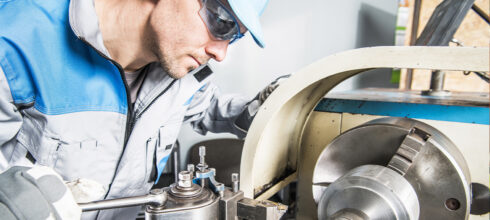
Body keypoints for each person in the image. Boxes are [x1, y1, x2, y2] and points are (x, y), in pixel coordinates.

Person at [0, 0, 278, 219]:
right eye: (222, 22)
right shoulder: (16, 41)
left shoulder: (176, 73)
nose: (221, 53)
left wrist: (261, 111)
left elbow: (206, 107)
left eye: (234, 38)